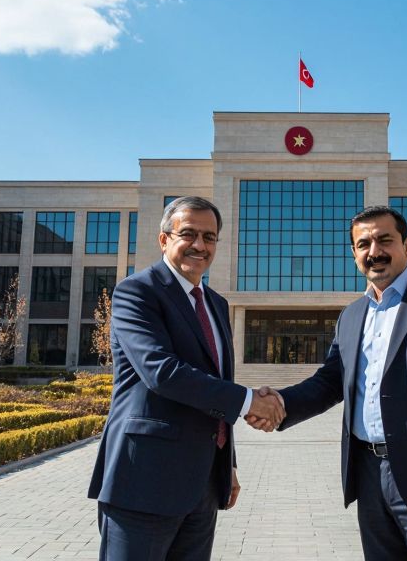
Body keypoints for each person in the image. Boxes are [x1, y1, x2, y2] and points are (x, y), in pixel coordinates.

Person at [261, 205, 407, 560]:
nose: (374, 252)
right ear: (354, 253)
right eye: (363, 244)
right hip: (368, 474)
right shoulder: (353, 314)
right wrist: (279, 403)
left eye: (385, 240)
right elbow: (330, 382)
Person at [87, 196, 286, 561]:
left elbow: (216, 386)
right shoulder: (137, 292)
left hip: (204, 486)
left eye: (209, 237)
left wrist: (228, 466)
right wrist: (248, 402)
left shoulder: (216, 304)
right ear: (164, 240)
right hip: (144, 481)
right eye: (189, 234)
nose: (200, 245)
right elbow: (161, 373)